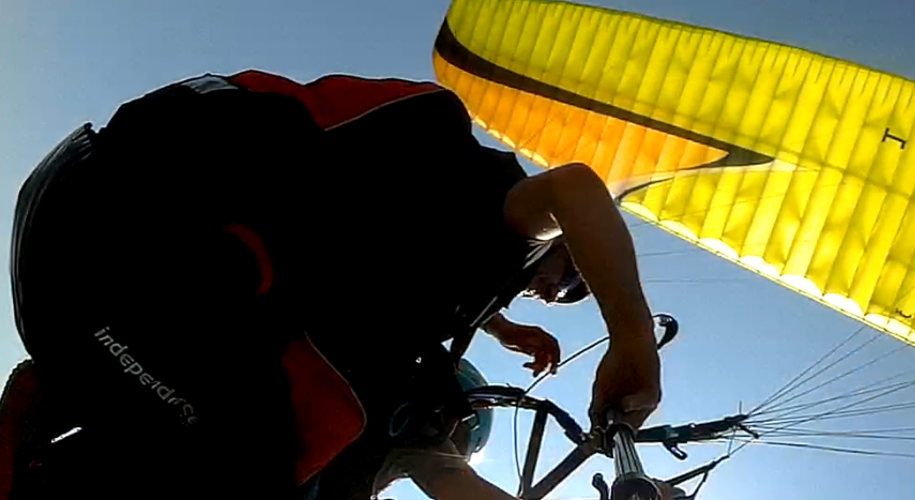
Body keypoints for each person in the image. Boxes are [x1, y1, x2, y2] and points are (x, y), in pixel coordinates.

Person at [3, 70, 662, 500]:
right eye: (572, 278)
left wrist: (502, 324)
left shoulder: (442, 216)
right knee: (289, 447)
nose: (563, 292)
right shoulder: (502, 211)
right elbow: (576, 188)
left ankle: (53, 412)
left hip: (93, 247)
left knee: (282, 422)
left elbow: (416, 253)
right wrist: (631, 337)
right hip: (133, 240)